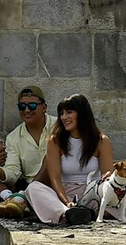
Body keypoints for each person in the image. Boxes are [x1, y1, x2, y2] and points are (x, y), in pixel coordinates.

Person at [25, 94, 115, 224]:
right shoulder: (54, 141)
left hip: (94, 194)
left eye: (69, 112)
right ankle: (67, 213)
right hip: (66, 195)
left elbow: (108, 174)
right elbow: (54, 178)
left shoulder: (101, 140)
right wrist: (67, 202)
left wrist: (109, 177)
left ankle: (92, 213)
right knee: (33, 188)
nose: (63, 117)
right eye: (61, 113)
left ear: (82, 114)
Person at [0, 85, 52, 217]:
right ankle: (13, 198)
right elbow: (12, 173)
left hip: (58, 182)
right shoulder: (13, 137)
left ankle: (22, 199)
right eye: (22, 107)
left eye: (32, 106)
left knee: (50, 158)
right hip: (32, 187)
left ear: (44, 107)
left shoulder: (58, 127)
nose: (26, 110)